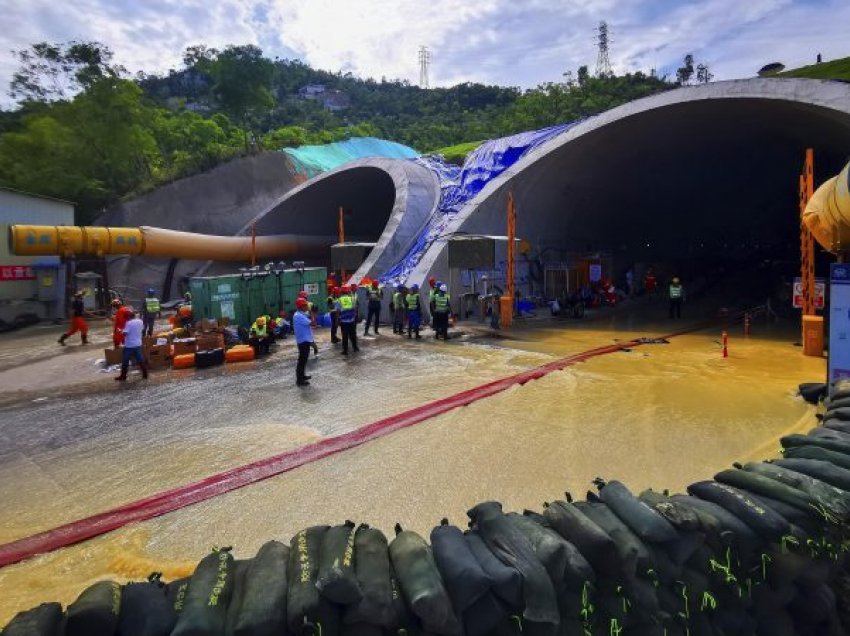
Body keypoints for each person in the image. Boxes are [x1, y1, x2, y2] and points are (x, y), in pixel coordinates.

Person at [116, 311, 148, 381]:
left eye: (126, 317)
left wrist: (120, 331)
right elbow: (142, 329)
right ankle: (145, 374)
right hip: (138, 344)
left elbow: (125, 333)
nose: (126, 319)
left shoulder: (129, 323)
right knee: (140, 360)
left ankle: (123, 376)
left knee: (125, 361)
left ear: (128, 317)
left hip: (129, 346)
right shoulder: (140, 321)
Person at [294, 298, 313, 386]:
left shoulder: (300, 314)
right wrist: (312, 312)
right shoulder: (299, 316)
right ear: (301, 306)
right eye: (305, 305)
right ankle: (299, 380)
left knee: (304, 360)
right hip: (303, 341)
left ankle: (302, 376)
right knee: (302, 360)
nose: (307, 306)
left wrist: (309, 311)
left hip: (305, 339)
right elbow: (312, 323)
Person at [336, 285, 359, 355]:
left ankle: (345, 351)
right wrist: (354, 317)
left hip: (343, 321)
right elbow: (355, 308)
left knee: (345, 336)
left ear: (341, 292)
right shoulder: (352, 298)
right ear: (348, 291)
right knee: (353, 334)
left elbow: (338, 311)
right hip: (351, 320)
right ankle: (355, 348)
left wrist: (338, 320)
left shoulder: (339, 300)